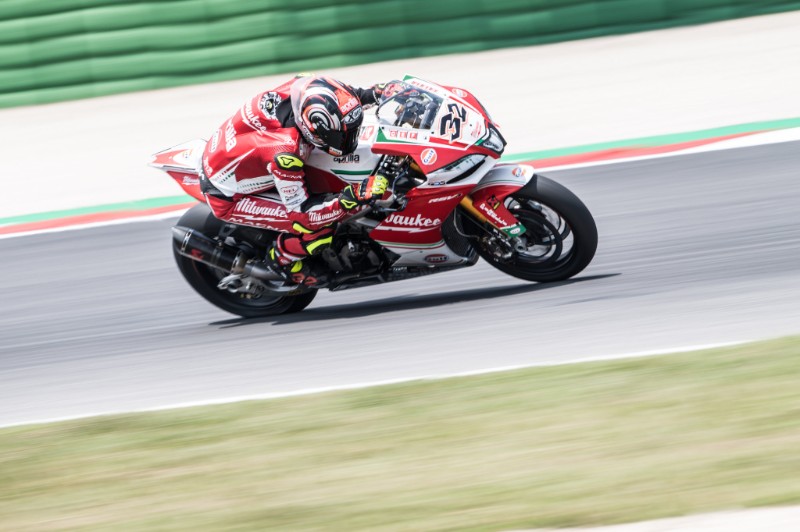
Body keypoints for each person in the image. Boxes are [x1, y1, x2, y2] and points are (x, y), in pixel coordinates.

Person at [198, 74, 389, 286]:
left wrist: (377, 93)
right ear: (313, 130)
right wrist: (352, 196)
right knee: (319, 229)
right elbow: (303, 215)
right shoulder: (285, 153)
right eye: (340, 137)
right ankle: (280, 262)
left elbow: (343, 99)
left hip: (238, 154)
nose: (349, 140)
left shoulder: (307, 89)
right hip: (230, 196)